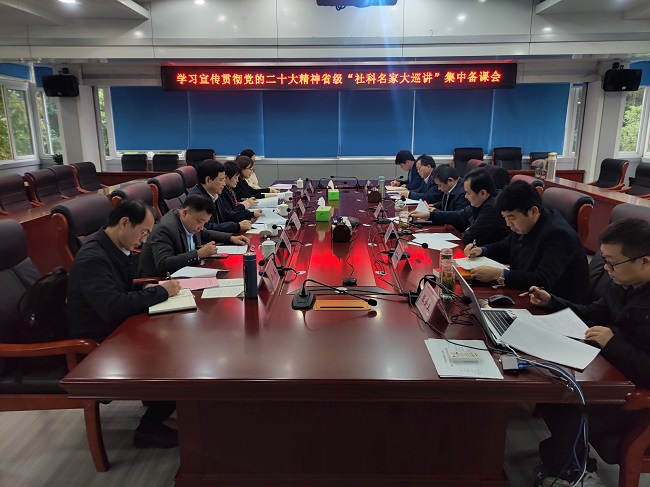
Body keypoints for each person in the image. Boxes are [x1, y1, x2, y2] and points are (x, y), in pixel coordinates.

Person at [527, 218, 650, 487]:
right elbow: (594, 313)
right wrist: (553, 302)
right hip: (613, 372)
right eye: (604, 260)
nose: (606, 269)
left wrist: (612, 343)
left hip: (637, 393)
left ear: (645, 262)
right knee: (553, 381)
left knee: (569, 396)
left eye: (612, 263)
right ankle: (569, 464)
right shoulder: (623, 284)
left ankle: (573, 472)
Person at [66, 199, 182, 448]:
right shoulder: (93, 258)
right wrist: (161, 292)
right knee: (175, 356)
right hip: (99, 340)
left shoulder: (113, 248)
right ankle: (148, 430)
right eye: (144, 232)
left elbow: (122, 287)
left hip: (117, 327)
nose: (145, 240)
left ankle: (169, 406)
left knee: (177, 339)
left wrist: (146, 287)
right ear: (124, 223)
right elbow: (113, 306)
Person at [465, 180, 588, 303]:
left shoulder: (559, 235)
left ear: (533, 211)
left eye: (512, 217)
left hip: (555, 304)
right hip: (525, 294)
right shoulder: (526, 224)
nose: (508, 224)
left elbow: (543, 280)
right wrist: (482, 250)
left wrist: (500, 274)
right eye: (505, 218)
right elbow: (506, 246)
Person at [139, 195, 250, 277]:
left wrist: (230, 238)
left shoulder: (190, 222)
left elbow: (205, 233)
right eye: (199, 222)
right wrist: (198, 254)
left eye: (204, 223)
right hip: (161, 281)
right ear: (185, 213)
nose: (201, 227)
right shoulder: (165, 229)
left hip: (188, 273)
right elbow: (163, 264)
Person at [409, 168, 509, 246]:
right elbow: (460, 214)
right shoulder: (480, 201)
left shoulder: (492, 207)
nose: (466, 197)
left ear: (482, 193)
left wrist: (468, 230)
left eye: (468, 193)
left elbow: (468, 236)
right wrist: (430, 215)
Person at [189, 159, 255, 233]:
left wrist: (250, 215)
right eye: (221, 180)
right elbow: (207, 228)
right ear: (208, 180)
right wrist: (237, 226)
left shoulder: (213, 194)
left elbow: (225, 214)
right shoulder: (198, 199)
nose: (224, 183)